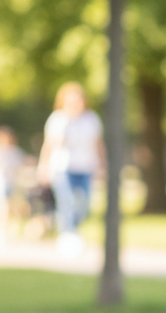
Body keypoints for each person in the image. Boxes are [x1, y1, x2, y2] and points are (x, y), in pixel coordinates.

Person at [39, 82, 104, 258]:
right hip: (63, 168)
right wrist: (43, 166)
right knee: (66, 202)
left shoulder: (91, 119)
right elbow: (49, 144)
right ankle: (67, 236)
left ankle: (69, 229)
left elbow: (98, 144)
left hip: (85, 167)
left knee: (84, 205)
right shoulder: (58, 119)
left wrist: (102, 166)